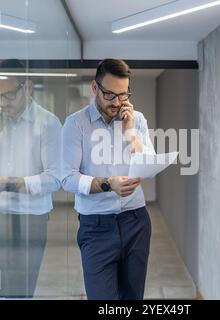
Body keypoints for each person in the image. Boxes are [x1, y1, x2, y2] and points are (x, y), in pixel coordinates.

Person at [62, 59, 155, 300]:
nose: (116, 103)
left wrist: (131, 134)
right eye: (109, 95)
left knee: (132, 299)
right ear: (95, 88)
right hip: (96, 227)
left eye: (123, 95)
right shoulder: (75, 124)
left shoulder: (138, 120)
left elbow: (150, 165)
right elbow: (67, 178)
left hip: (136, 221)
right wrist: (108, 184)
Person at [0, 59, 62, 298]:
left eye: (8, 95)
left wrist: (9, 183)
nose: (2, 103)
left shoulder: (48, 123)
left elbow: (55, 178)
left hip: (30, 218)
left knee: (18, 293)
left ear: (27, 88)